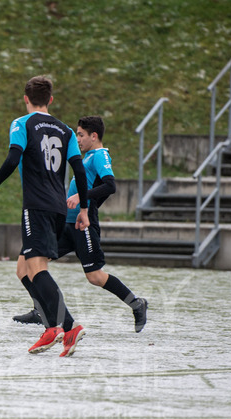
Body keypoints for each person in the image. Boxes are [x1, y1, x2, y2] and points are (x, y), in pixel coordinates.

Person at [0, 76, 90, 356]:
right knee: (23, 268)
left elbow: (13, 157)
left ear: (26, 99)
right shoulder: (66, 131)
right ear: (51, 100)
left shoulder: (22, 123)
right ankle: (63, 326)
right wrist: (85, 210)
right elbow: (78, 171)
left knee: (38, 269)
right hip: (58, 208)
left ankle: (61, 327)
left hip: (36, 207)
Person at [12, 115, 148, 332]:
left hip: (82, 226)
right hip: (65, 224)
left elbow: (110, 185)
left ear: (94, 136)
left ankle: (136, 303)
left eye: (81, 135)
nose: (78, 139)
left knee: (94, 276)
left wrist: (83, 200)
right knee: (26, 265)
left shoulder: (100, 155)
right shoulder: (86, 158)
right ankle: (41, 310)